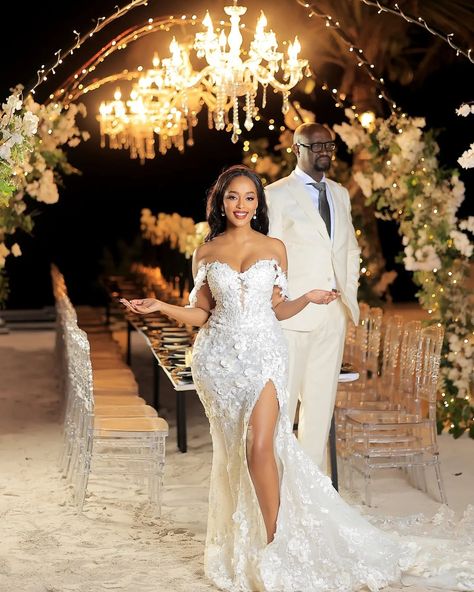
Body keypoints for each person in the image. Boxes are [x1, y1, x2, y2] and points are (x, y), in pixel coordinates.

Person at [121, 165, 473, 592]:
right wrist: (160, 305)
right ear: (220, 201)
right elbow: (202, 314)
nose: (241, 205)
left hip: (266, 353)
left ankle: (275, 545)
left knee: (260, 446)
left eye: (250, 197)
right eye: (233, 196)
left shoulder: (274, 248)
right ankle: (255, 534)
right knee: (236, 450)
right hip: (218, 359)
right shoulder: (206, 252)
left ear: (258, 204)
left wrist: (306, 298)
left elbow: (277, 309)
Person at [265, 122, 361, 470]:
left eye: (329, 146)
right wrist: (281, 302)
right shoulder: (274, 194)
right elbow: (269, 257)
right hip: (293, 317)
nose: (323, 152)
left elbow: (350, 248)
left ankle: (310, 495)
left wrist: (347, 295)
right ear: (297, 149)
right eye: (315, 146)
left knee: (320, 409)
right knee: (282, 408)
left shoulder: (340, 193)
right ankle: (275, 485)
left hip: (333, 317)